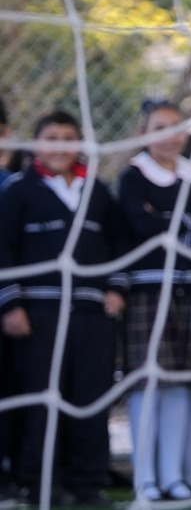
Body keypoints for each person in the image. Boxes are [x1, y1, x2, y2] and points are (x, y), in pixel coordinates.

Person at [0, 110, 126, 504]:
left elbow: (119, 244)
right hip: (40, 313)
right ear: (36, 144)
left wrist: (116, 289)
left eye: (68, 137)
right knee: (42, 399)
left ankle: (86, 481)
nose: (60, 145)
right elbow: (4, 250)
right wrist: (12, 305)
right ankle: (39, 482)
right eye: (51, 137)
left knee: (90, 397)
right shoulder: (19, 190)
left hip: (91, 312)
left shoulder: (99, 191)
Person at [117, 102, 191, 503]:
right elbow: (139, 226)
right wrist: (190, 223)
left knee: (183, 383)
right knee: (149, 382)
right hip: (147, 290)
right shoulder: (133, 176)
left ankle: (174, 475)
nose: (170, 135)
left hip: (190, 289)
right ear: (144, 132)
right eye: (160, 127)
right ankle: (145, 477)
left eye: (177, 126)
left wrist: (169, 220)